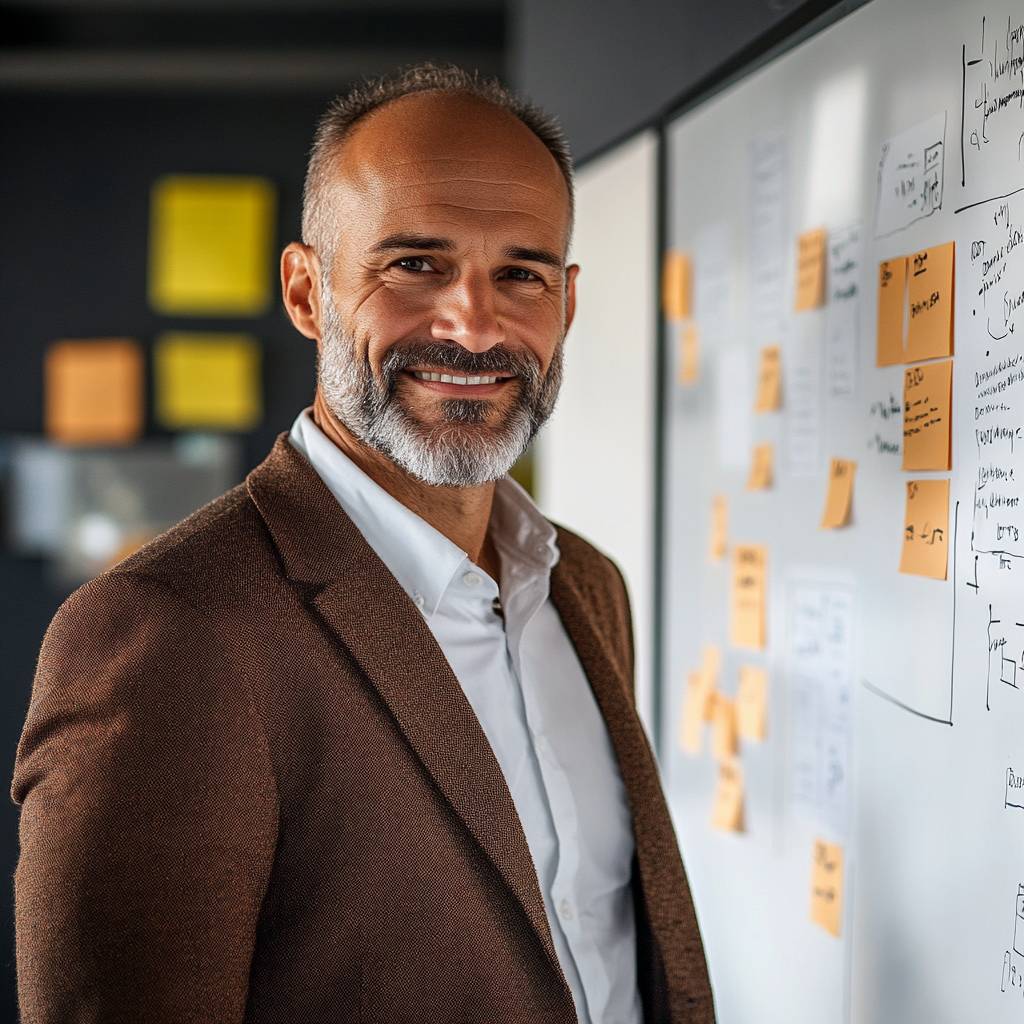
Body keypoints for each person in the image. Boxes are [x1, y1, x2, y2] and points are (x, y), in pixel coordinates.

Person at [11, 63, 714, 1024]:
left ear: (569, 303)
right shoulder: (166, 636)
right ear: (307, 292)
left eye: (521, 273)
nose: (474, 323)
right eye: (415, 264)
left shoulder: (586, 587)